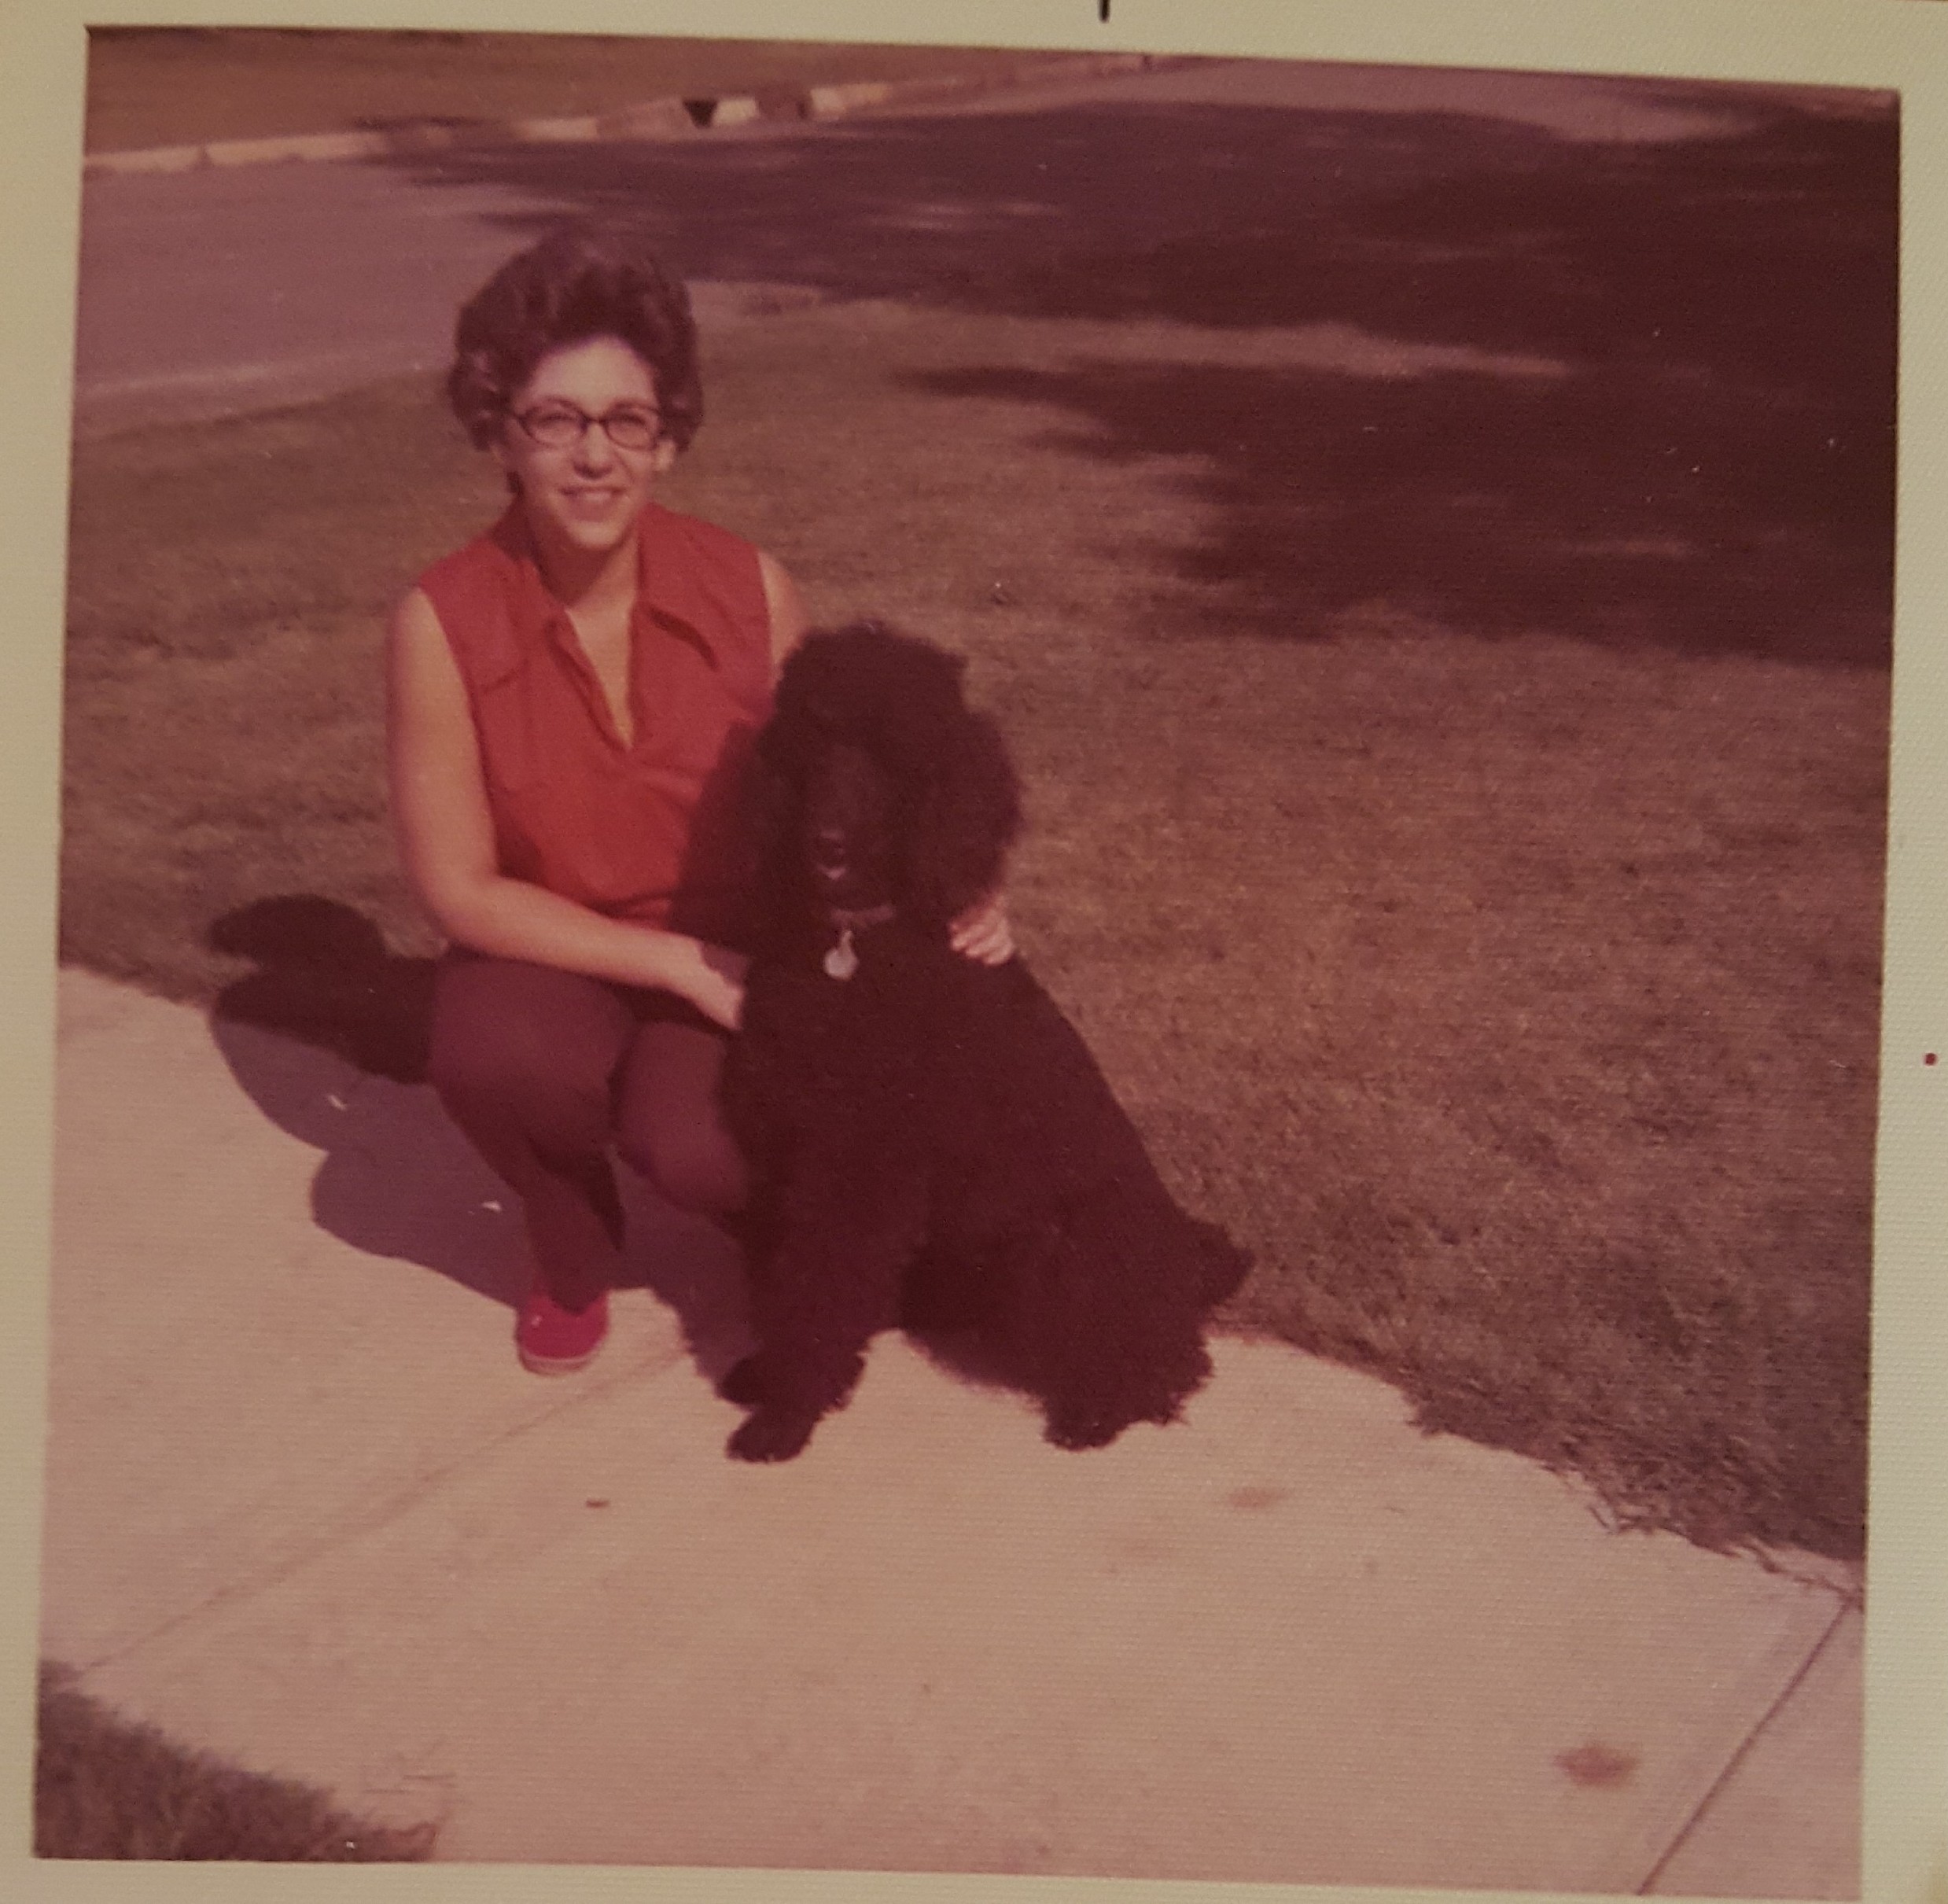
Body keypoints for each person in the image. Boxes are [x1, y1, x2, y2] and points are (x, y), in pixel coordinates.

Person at [387, 228, 1010, 1376]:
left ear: (667, 438)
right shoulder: (440, 619)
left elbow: (859, 777)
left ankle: (763, 1212)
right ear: (500, 434)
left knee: (701, 1151)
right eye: (553, 419)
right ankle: (567, 1245)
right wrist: (672, 967)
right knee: (493, 1056)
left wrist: (964, 891)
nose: (591, 457)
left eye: (625, 420)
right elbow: (457, 888)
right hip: (555, 952)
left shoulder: (749, 587)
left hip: (734, 937)